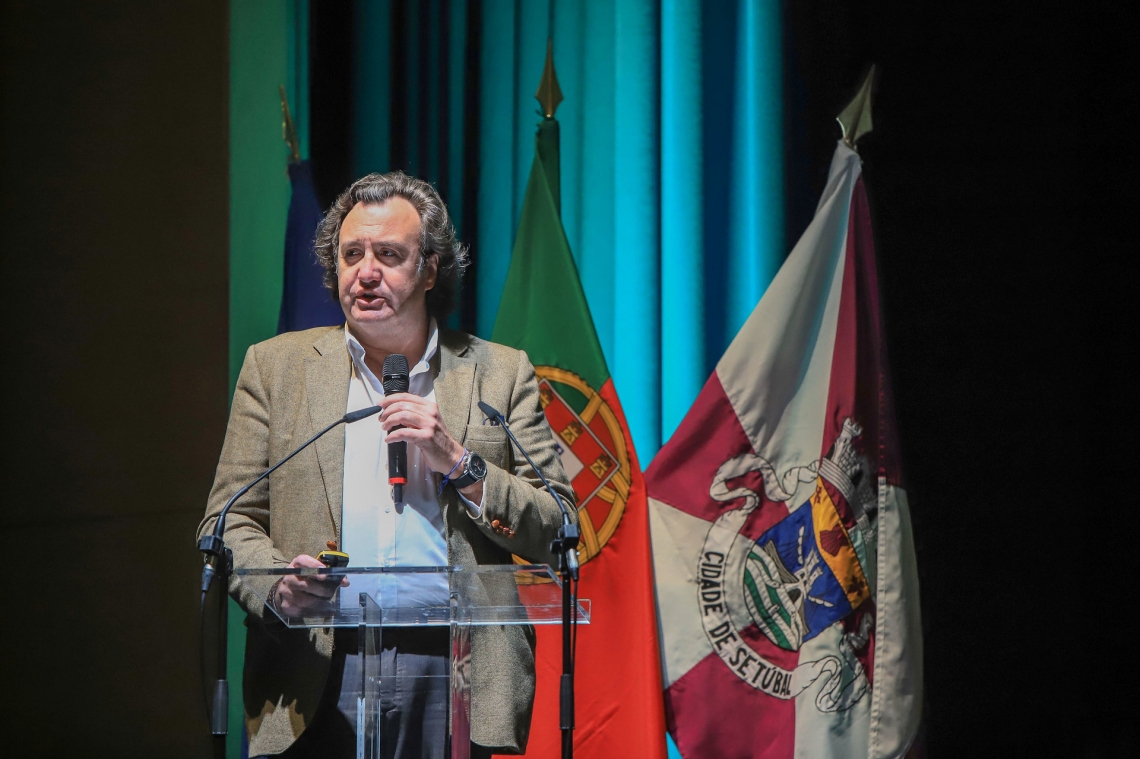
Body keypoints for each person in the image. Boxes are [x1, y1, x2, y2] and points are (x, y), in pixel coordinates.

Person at [198, 171, 574, 758]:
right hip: (314, 667)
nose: (366, 272)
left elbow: (558, 524)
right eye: (352, 254)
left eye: (388, 255)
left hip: (458, 667)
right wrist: (278, 586)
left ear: (430, 269)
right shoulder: (275, 369)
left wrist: (459, 461)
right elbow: (227, 522)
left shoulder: (500, 373)